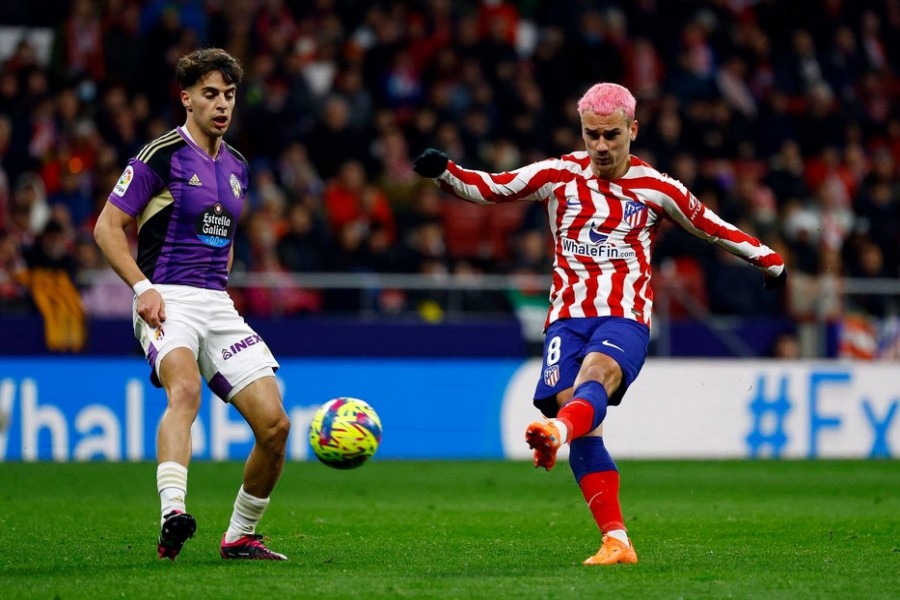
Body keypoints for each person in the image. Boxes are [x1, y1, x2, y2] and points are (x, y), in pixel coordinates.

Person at [413, 82, 787, 566]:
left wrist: (769, 260)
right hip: (565, 319)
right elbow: (492, 187)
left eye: (611, 135)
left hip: (624, 314)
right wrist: (446, 172)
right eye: (593, 135)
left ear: (633, 130)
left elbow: (710, 225)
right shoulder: (557, 174)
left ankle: (556, 435)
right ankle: (617, 540)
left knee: (595, 377)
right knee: (584, 424)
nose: (602, 146)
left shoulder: (658, 188)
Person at [93, 48, 291, 561]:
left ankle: (241, 535)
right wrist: (142, 289)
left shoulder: (238, 166)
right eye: (209, 94)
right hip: (166, 297)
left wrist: (221, 281)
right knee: (185, 391)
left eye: (228, 94)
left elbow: (220, 237)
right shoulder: (160, 154)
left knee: (275, 425)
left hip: (216, 304)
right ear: (186, 98)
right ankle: (172, 514)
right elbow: (106, 228)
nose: (221, 104)